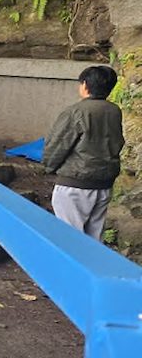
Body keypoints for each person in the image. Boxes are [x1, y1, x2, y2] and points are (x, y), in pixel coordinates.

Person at [42, 65, 124, 241]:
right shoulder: (114, 111)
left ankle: (67, 270)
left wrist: (48, 166)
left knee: (71, 240)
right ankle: (96, 269)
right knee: (95, 240)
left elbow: (58, 145)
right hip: (104, 184)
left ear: (85, 85)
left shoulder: (76, 111)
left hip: (75, 184)